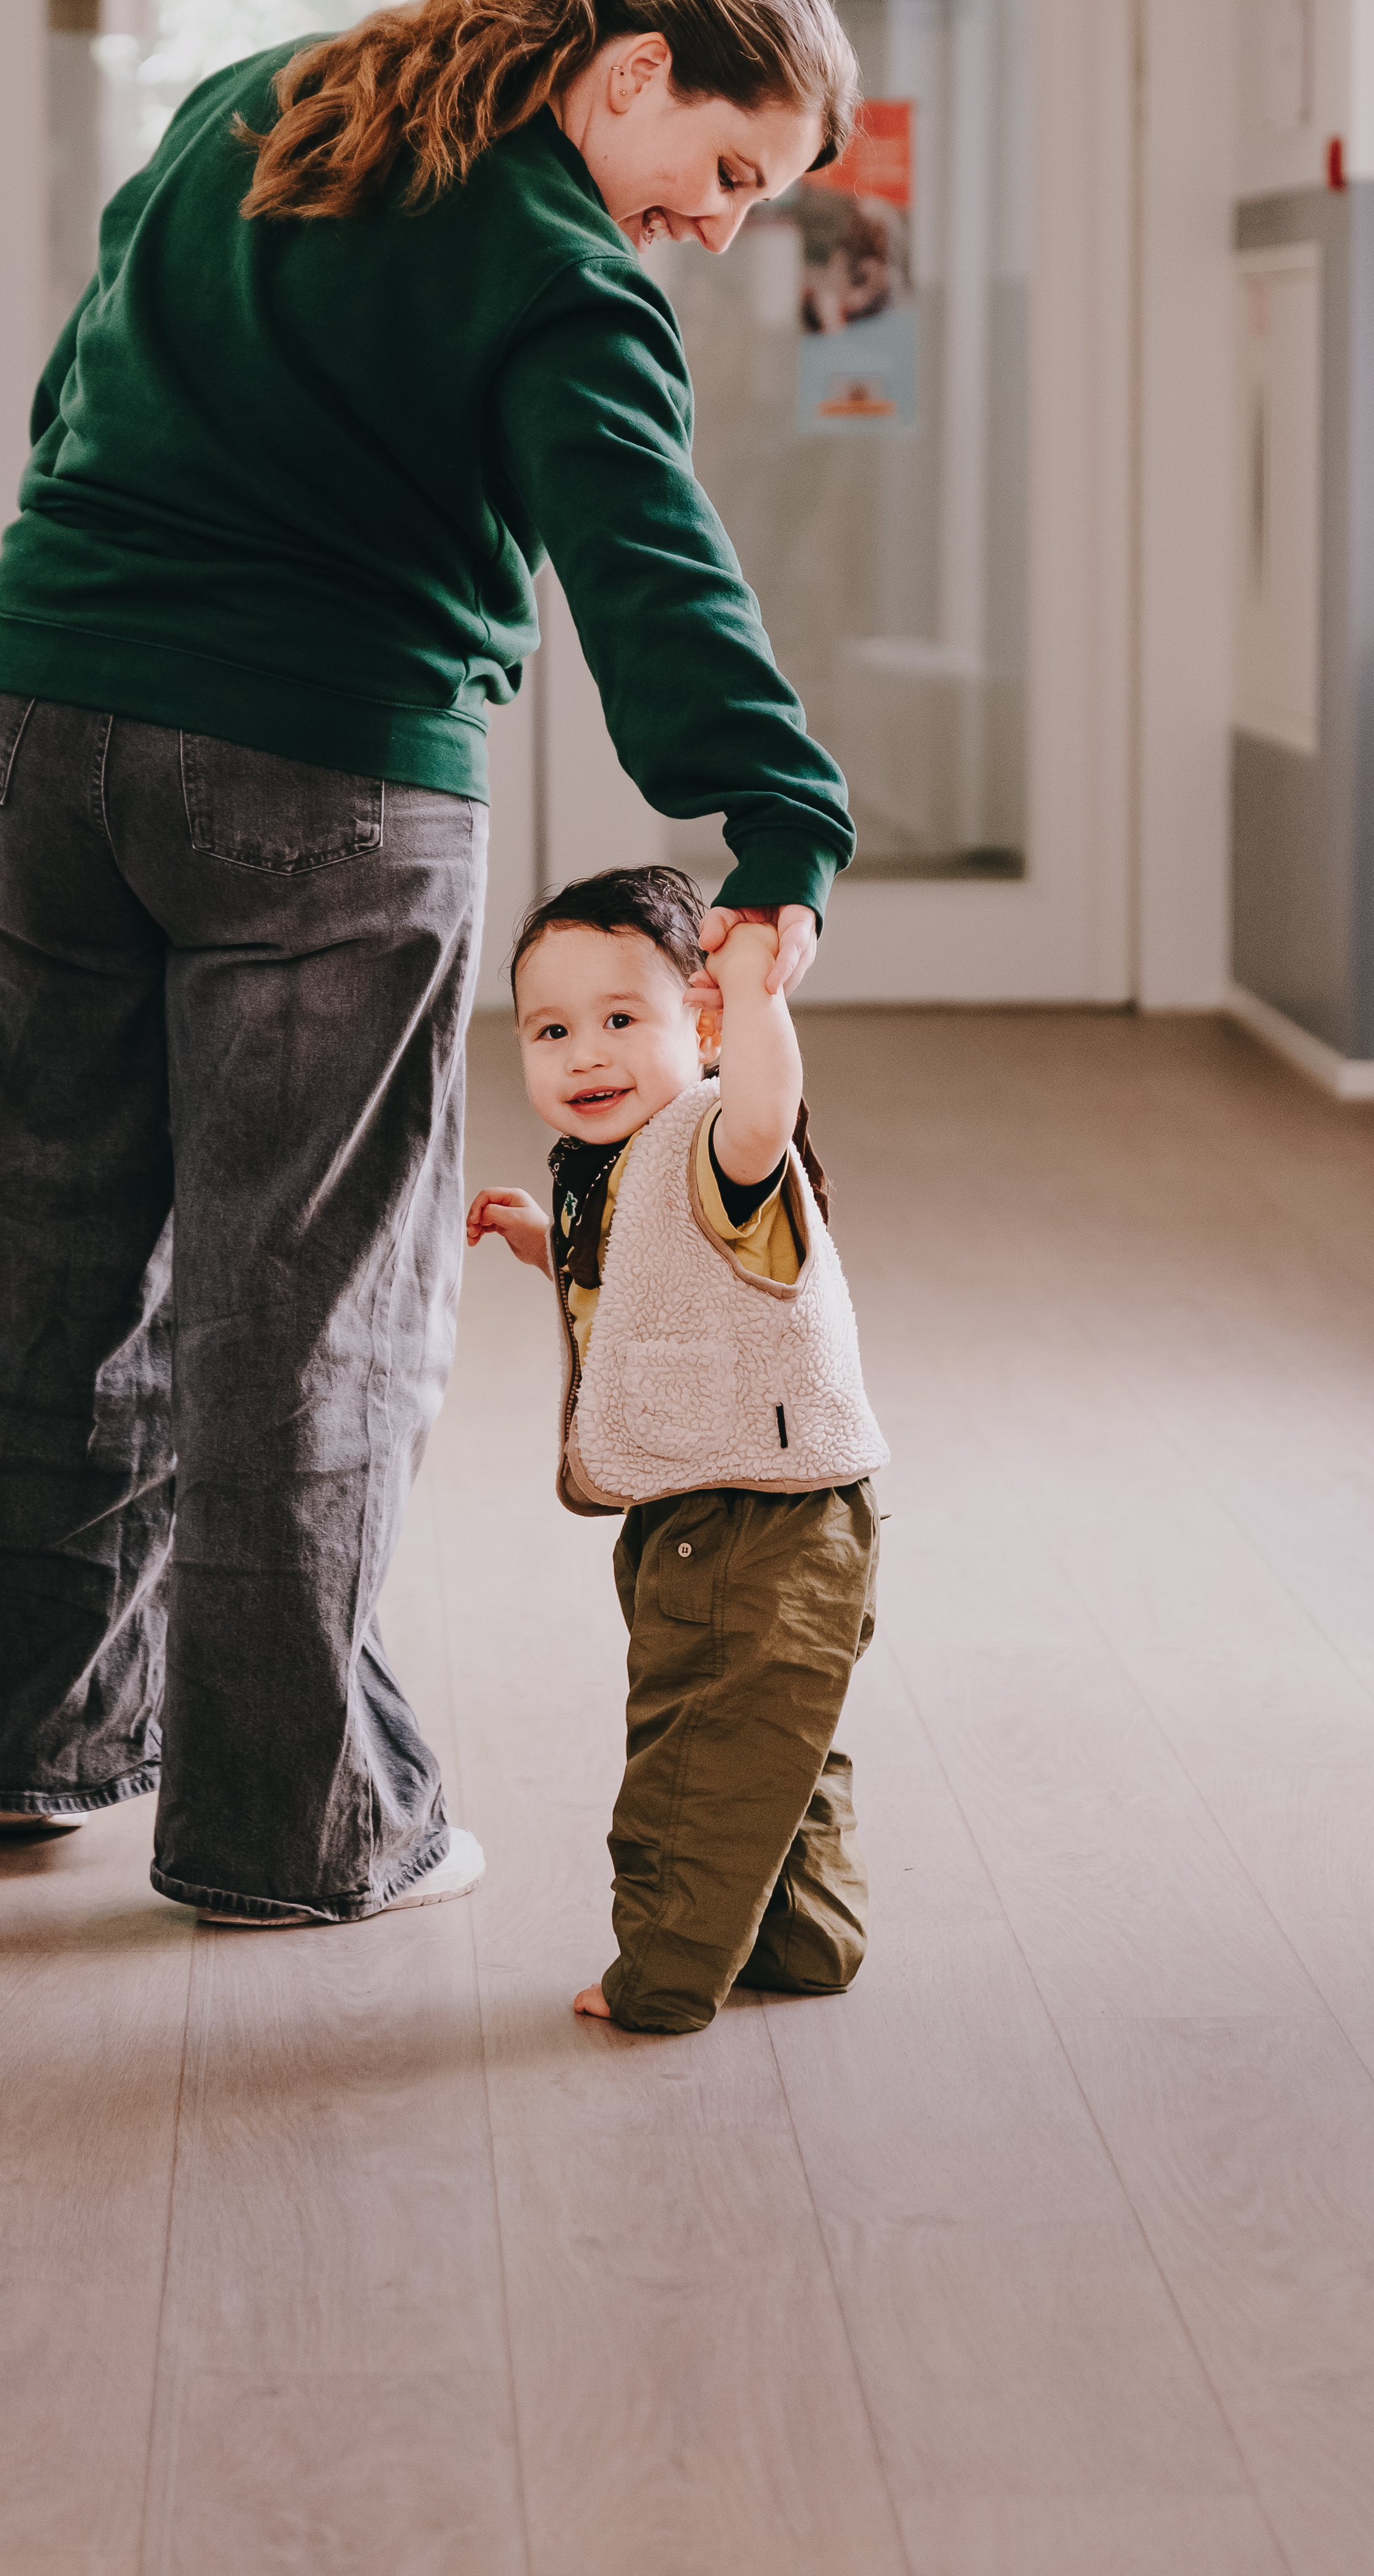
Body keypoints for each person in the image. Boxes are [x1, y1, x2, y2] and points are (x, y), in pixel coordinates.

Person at [0, 0, 859, 1928]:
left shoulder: (253, 109)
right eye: (722, 172)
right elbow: (650, 570)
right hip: (317, 778)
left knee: (58, 1258)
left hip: (22, 729)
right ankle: (290, 1831)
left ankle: (29, 1743)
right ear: (629, 78)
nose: (711, 227)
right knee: (303, 1310)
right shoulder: (553, 270)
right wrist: (782, 814)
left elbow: (78, 390)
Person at [466, 865, 886, 2032]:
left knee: (695, 1757)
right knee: (771, 1746)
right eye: (550, 1029)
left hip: (753, 1517)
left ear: (699, 1029)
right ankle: (804, 1938)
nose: (583, 1054)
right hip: (715, 1503)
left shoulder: (716, 1134)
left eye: (620, 1020)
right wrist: (548, 1246)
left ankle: (663, 1975)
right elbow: (660, 1285)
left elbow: (758, 1111)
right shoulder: (624, 1162)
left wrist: (754, 991)